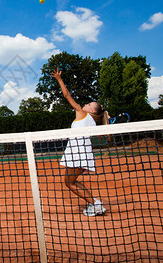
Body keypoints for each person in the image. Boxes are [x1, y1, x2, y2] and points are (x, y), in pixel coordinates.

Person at [51, 68, 109, 217]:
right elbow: (103, 137)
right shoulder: (93, 123)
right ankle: (93, 202)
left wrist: (59, 79)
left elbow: (67, 95)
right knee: (71, 181)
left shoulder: (83, 114)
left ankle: (95, 204)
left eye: (90, 104)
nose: (86, 104)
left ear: (93, 112)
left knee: (69, 182)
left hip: (78, 154)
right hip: (82, 154)